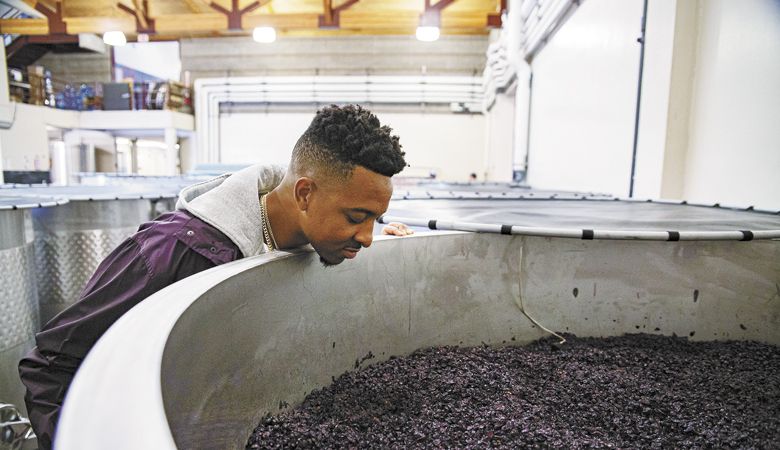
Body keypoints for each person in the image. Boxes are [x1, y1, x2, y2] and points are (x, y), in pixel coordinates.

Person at [18, 104, 414, 449]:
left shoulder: (309, 236)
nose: (366, 237)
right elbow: (52, 366)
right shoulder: (171, 252)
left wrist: (375, 235)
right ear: (305, 195)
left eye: (375, 220)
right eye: (356, 217)